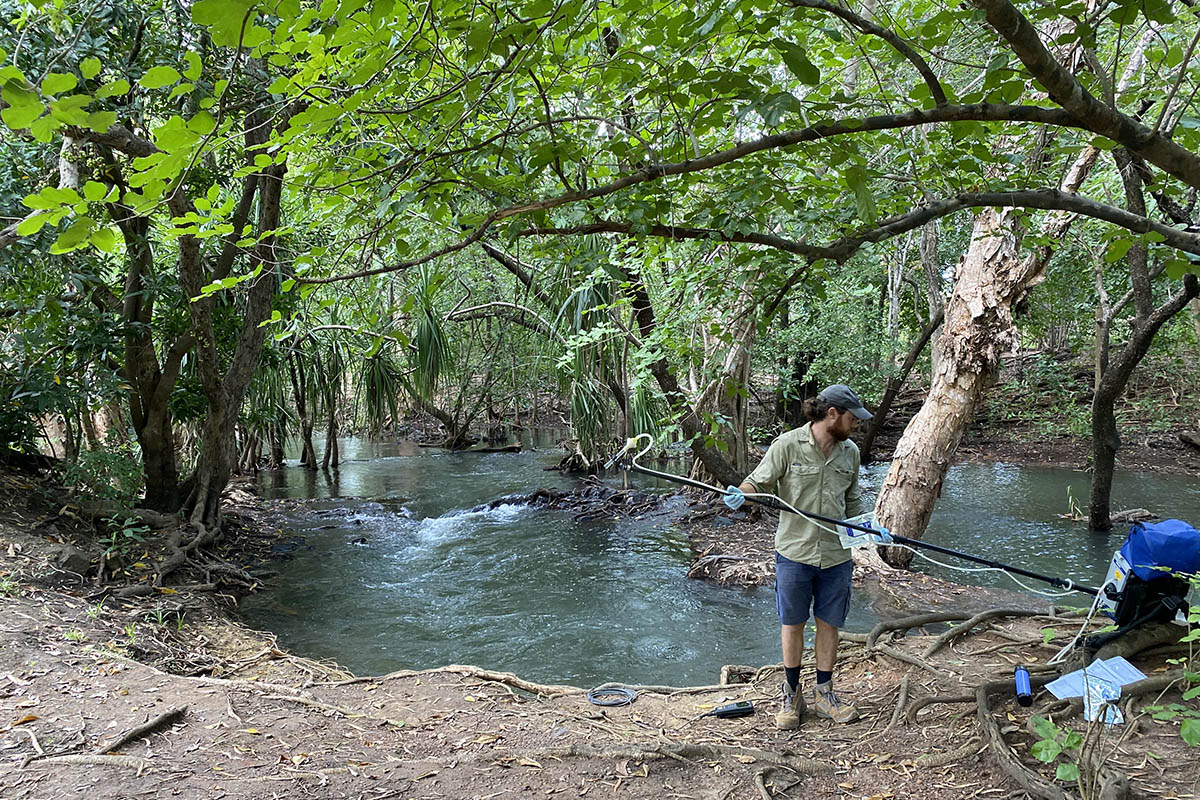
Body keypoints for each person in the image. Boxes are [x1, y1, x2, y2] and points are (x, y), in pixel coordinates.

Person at [724, 384, 871, 728]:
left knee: (829, 623)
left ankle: (824, 695)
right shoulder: (787, 445)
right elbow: (756, 483)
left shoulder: (850, 453)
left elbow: (852, 505)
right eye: (852, 418)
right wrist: (739, 495)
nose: (857, 425)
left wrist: (868, 531)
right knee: (792, 624)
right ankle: (791, 694)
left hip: (836, 556)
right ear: (832, 414)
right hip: (794, 552)